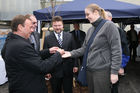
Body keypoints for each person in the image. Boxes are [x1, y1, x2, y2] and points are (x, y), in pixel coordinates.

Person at [62, 3, 122, 93]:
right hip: (90, 70)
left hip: (102, 71)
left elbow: (116, 50)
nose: (86, 17)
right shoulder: (90, 30)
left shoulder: (110, 26)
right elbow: (84, 48)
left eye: (87, 14)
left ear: (95, 12)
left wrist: (114, 72)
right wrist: (70, 53)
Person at [1, 15, 64, 93]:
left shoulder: (10, 41)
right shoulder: (22, 46)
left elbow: (29, 58)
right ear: (20, 27)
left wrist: (48, 51)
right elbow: (42, 67)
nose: (32, 30)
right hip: (28, 87)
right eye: (30, 27)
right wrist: (58, 54)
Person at [43, 16, 78, 93]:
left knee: (68, 90)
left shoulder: (70, 36)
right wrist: (47, 71)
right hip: (54, 71)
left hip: (68, 70)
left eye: (59, 25)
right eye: (55, 26)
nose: (57, 27)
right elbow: (45, 56)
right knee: (55, 90)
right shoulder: (47, 38)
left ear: (62, 25)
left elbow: (74, 51)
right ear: (52, 26)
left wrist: (75, 65)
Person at [106, 11, 130, 93]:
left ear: (110, 18)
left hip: (114, 66)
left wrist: (121, 65)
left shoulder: (119, 31)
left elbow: (125, 50)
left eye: (104, 18)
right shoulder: (99, 31)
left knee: (113, 88)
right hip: (102, 68)